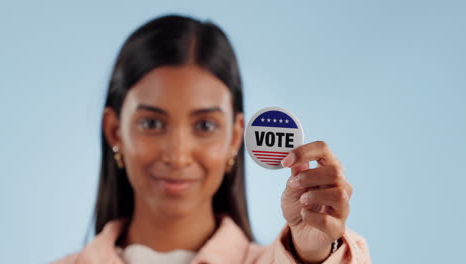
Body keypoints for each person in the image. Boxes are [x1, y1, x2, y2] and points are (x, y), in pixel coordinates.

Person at [53, 15, 370, 264]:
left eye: (204, 125)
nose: (178, 156)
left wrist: (313, 255)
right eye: (151, 123)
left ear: (235, 137)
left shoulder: (294, 259)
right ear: (114, 131)